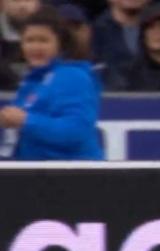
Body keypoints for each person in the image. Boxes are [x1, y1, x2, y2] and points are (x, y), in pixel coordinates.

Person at [0, 6, 103, 160]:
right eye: (29, 40)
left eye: (43, 40)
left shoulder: (73, 76)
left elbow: (76, 130)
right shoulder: (30, 82)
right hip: (37, 171)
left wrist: (26, 120)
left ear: (60, 43)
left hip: (74, 170)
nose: (36, 47)